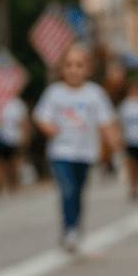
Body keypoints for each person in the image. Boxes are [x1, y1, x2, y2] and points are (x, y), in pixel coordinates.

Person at [33, 43, 119, 252]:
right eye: (69, 65)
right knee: (68, 189)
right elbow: (40, 116)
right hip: (61, 152)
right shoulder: (54, 93)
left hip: (85, 153)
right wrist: (49, 128)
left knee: (78, 191)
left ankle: (74, 225)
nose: (73, 69)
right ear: (62, 69)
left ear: (88, 69)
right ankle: (70, 229)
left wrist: (114, 144)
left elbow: (106, 122)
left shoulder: (94, 94)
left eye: (79, 65)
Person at [0, 94, 30, 195]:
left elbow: (24, 122)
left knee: (14, 164)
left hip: (15, 139)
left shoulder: (18, 104)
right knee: (0, 163)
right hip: (0, 138)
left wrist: (25, 137)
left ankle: (14, 184)